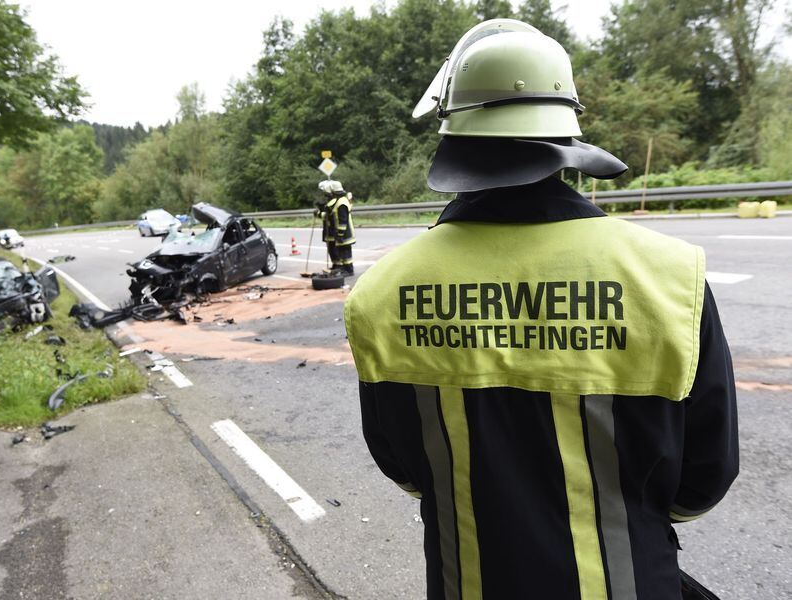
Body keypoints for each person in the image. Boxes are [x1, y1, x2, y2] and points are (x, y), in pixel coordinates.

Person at [344, 19, 737, 600]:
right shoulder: (672, 277)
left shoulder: (379, 295)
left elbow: (402, 467)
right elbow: (705, 480)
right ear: (567, 136)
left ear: (456, 134)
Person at [316, 179, 356, 276]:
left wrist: (340, 234)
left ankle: (349, 270)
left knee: (346, 253)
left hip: (345, 233)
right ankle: (344, 269)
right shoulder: (339, 201)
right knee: (342, 252)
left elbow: (342, 220)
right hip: (341, 233)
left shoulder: (341, 203)